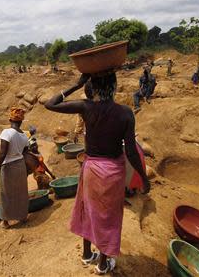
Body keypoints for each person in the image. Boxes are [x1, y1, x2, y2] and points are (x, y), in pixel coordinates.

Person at [45, 72, 150, 275]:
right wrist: (143, 178)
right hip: (112, 172)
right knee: (108, 216)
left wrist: (75, 85)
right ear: (115, 86)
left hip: (91, 168)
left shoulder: (86, 107)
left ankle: (87, 253)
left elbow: (51, 104)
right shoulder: (125, 113)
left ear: (92, 86)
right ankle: (102, 263)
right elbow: (130, 151)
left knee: (87, 209)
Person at [0, 107, 29, 229]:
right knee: (21, 192)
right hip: (20, 166)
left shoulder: (7, 132)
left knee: (6, 194)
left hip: (8, 166)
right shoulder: (24, 136)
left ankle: (5, 221)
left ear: (10, 119)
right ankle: (22, 216)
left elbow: (2, 153)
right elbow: (25, 152)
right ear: (21, 121)